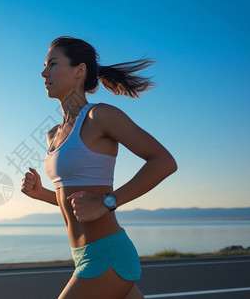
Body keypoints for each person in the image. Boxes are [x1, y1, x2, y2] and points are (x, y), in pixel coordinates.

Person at [21, 36, 177, 299]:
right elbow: (77, 199)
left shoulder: (99, 116)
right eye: (45, 66)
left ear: (79, 70)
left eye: (53, 64)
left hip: (107, 256)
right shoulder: (53, 134)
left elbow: (164, 161)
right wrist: (43, 194)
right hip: (82, 256)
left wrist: (108, 201)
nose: (43, 72)